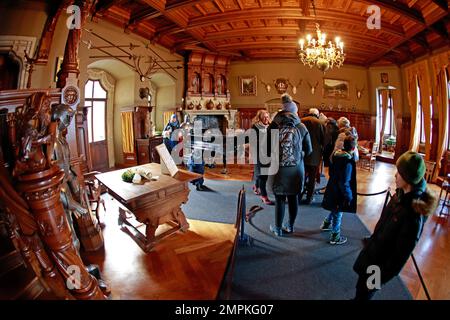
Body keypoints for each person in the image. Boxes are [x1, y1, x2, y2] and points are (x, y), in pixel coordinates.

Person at [352, 151, 438, 300]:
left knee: (365, 293)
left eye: (399, 172)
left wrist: (377, 280)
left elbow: (398, 259)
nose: (395, 175)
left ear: (408, 179)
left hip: (379, 266)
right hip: (374, 253)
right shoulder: (400, 194)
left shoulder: (413, 216)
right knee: (360, 289)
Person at [267, 94, 312, 236]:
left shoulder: (273, 125)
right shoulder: (302, 126)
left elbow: (266, 148)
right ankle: (290, 226)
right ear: (294, 112)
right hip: (296, 169)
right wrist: (299, 155)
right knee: (293, 198)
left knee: (279, 199)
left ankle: (278, 228)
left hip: (278, 168)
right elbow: (309, 150)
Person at [321, 135, 357, 245]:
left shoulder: (336, 155)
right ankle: (335, 236)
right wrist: (349, 196)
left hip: (332, 186)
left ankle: (326, 223)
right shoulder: (348, 162)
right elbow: (344, 182)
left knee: (335, 209)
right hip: (339, 191)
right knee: (338, 212)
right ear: (353, 148)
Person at [300, 108, 325, 204]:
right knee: (312, 178)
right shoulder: (320, 123)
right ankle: (309, 197)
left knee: (301, 176)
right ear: (317, 114)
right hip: (315, 155)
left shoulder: (301, 121)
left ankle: (299, 195)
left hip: (302, 154)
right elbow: (324, 141)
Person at [251, 109, 274, 205]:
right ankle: (264, 196)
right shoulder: (255, 127)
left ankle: (256, 186)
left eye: (267, 117)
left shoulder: (270, 127)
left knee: (260, 173)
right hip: (259, 153)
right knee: (262, 175)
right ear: (259, 118)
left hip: (268, 153)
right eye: (264, 117)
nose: (266, 118)